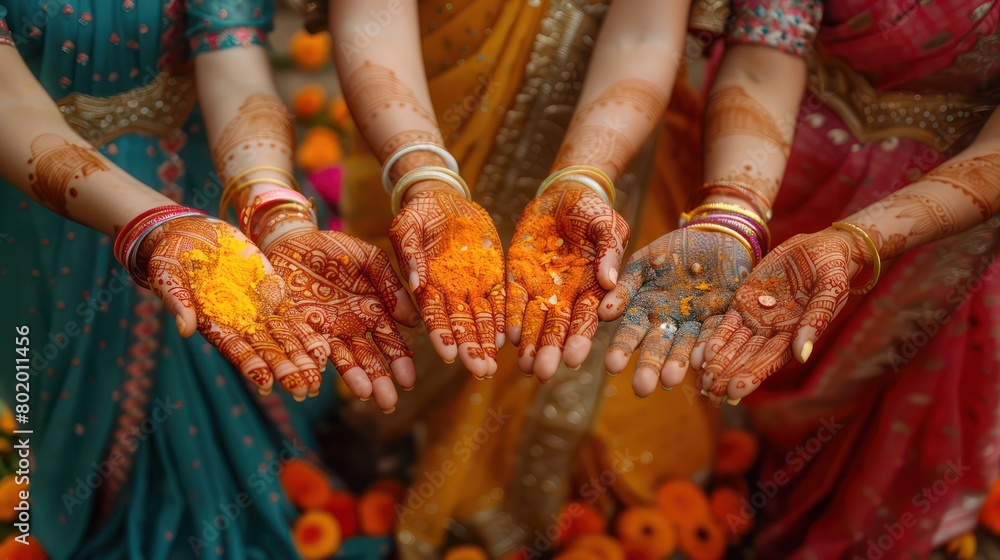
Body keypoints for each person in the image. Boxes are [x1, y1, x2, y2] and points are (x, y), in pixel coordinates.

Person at [298, 0, 723, 556]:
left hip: (619, 133)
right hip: (427, 109)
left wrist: (586, 178)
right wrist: (424, 177)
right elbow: (371, 21)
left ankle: (581, 514)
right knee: (425, 309)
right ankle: (408, 461)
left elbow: (646, 33)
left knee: (599, 341)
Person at [0, 1, 412, 557]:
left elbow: (235, 62)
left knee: (247, 349)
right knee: (71, 397)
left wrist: (277, 215)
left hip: (204, 172)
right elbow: (12, 105)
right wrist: (157, 228)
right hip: (49, 199)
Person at [606, 0, 1000, 557]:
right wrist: (730, 213)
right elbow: (767, 53)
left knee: (876, 406)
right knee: (726, 351)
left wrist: (856, 242)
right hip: (772, 155)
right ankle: (726, 481)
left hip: (935, 208)